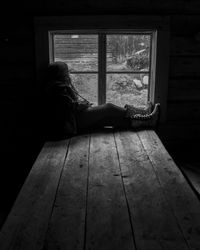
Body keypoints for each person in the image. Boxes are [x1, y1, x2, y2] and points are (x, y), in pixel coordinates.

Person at [44, 61, 160, 139]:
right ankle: (145, 114)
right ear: (60, 74)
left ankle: (146, 122)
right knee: (108, 107)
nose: (68, 73)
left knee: (108, 120)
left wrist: (81, 103)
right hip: (72, 122)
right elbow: (69, 107)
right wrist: (83, 105)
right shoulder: (57, 88)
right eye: (66, 71)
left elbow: (69, 105)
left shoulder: (59, 85)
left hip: (73, 120)